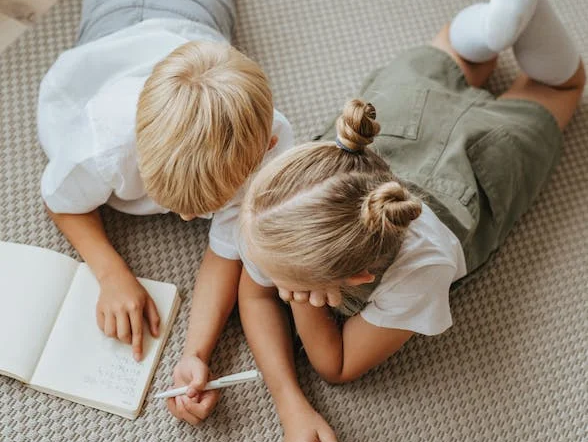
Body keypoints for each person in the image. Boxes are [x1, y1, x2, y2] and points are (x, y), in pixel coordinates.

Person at [237, 0, 585, 440]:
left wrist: (302, 301)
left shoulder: (421, 269)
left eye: (288, 282)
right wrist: (289, 400)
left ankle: (496, 30)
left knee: (562, 87)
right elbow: (253, 296)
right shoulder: (284, 203)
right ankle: (487, 32)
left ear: (360, 276)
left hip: (482, 161)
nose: (261, 273)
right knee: (452, 55)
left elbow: (337, 365)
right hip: (402, 116)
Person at [37, 0, 293, 424]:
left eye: (205, 208)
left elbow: (228, 250)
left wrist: (196, 352)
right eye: (175, 205)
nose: (189, 220)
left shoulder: (272, 143)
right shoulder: (104, 144)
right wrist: (110, 271)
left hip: (201, 17)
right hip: (115, 24)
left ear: (264, 149)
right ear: (138, 151)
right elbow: (58, 199)